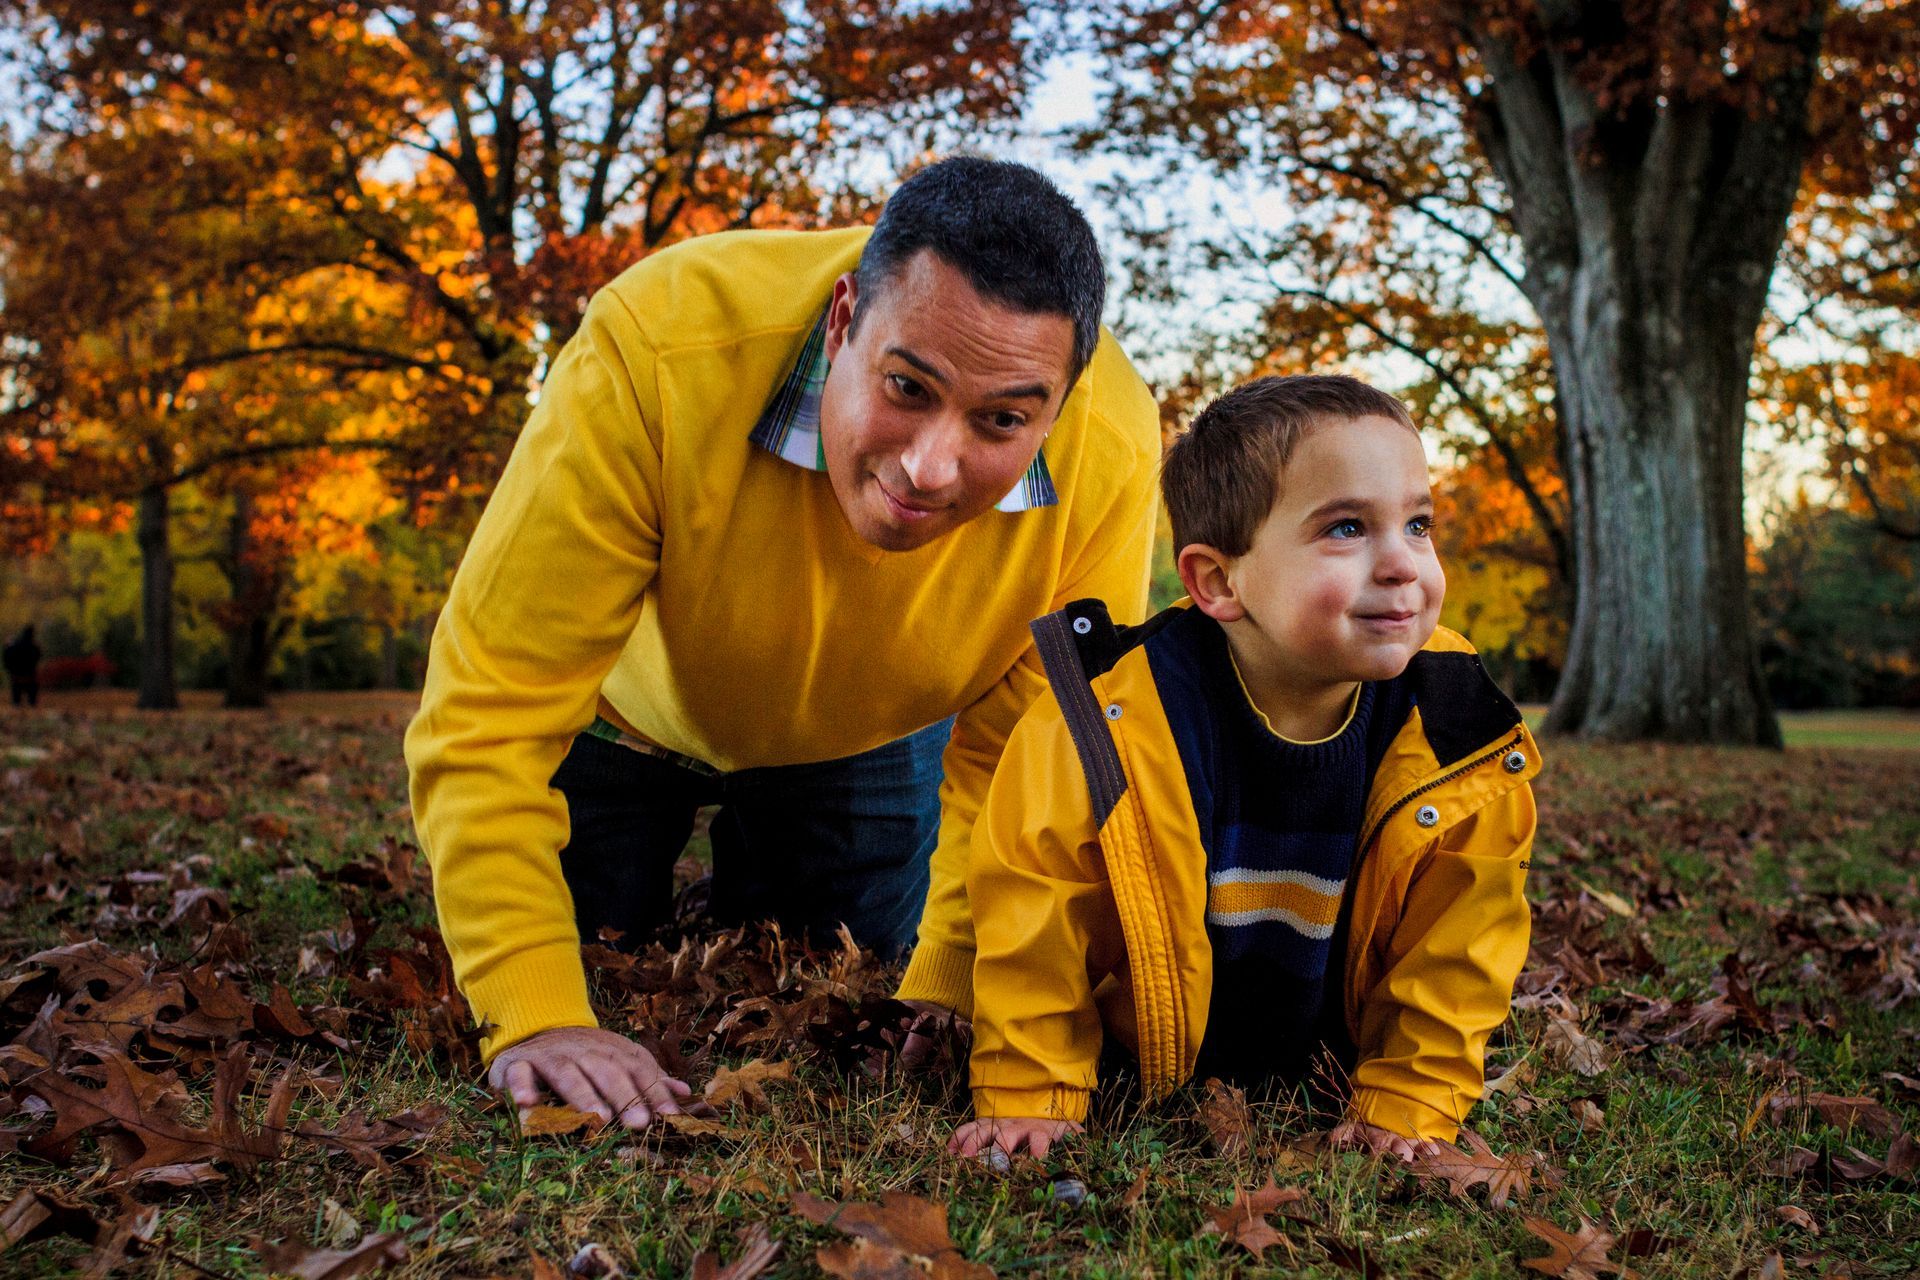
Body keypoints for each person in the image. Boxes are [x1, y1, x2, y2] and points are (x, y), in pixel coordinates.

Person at [405, 157, 1162, 1132]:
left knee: (839, 961)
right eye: (907, 385)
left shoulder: (1116, 447)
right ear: (844, 317)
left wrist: (954, 970)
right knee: (589, 935)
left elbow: (1033, 756)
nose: (931, 465)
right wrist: (535, 1006)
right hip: (618, 715)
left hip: (863, 736)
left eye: (1003, 420)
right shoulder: (661, 342)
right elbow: (492, 704)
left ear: (1062, 405)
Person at [946, 374, 1543, 1160]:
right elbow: (1037, 908)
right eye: (1346, 529)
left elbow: (1460, 945)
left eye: (1419, 524)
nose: (1402, 563)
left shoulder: (1456, 728)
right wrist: (1032, 1087)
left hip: (1326, 1057)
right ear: (1220, 582)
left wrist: (1412, 1094)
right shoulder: (1105, 718)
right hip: (1147, 1052)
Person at [3, 626, 41, 708]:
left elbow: (6, 655)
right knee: (32, 691)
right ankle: (32, 703)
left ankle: (16, 703)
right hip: (29, 674)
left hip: (16, 674)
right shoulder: (33, 646)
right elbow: (38, 656)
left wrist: (9, 668)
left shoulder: (14, 645)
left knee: (16, 692)